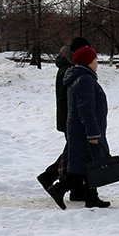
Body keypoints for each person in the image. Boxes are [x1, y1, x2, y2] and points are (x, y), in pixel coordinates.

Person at [45, 46, 112, 209]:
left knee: (87, 164)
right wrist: (93, 133)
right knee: (88, 163)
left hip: (80, 130)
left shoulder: (80, 77)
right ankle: (60, 189)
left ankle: (90, 197)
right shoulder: (85, 80)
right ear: (88, 62)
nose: (97, 64)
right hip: (84, 131)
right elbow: (86, 110)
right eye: (95, 60)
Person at [37, 36, 90, 201]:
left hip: (68, 117)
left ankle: (64, 183)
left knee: (73, 152)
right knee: (76, 152)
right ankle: (63, 184)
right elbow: (69, 98)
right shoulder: (69, 69)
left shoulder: (67, 67)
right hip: (71, 119)